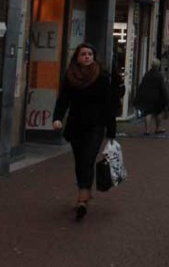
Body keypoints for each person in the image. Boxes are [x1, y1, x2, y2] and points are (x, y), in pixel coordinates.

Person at [51, 43, 117, 222]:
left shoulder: (102, 77)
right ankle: (84, 191)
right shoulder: (71, 76)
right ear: (77, 58)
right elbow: (63, 99)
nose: (87, 57)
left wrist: (111, 131)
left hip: (95, 126)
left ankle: (82, 197)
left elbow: (108, 104)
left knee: (88, 159)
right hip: (76, 125)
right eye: (83, 54)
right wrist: (57, 117)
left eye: (89, 54)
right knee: (79, 160)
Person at [134, 58, 169, 135]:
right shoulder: (159, 75)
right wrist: (166, 98)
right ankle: (157, 128)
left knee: (148, 113)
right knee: (159, 112)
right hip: (157, 97)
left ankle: (147, 130)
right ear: (158, 66)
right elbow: (163, 87)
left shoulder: (147, 74)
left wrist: (138, 96)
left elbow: (142, 85)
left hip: (147, 97)